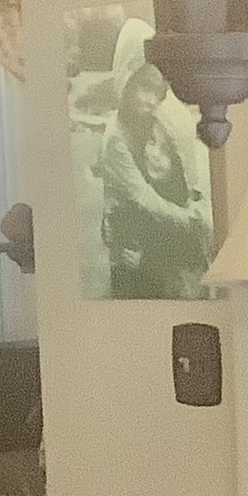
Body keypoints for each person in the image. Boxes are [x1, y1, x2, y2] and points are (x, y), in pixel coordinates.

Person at [96, 26, 215, 299]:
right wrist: (191, 219)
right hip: (136, 257)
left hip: (166, 246)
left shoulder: (161, 124)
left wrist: (197, 203)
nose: (152, 101)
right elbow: (142, 199)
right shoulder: (116, 137)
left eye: (159, 92)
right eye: (144, 88)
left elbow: (187, 173)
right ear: (126, 79)